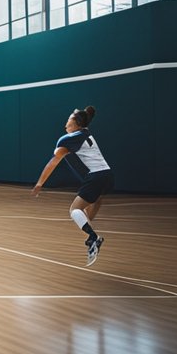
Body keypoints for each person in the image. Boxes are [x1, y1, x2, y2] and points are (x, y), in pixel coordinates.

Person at [32, 105, 112, 266]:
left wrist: (40, 182)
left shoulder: (67, 139)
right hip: (108, 175)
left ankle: (93, 238)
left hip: (96, 176)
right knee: (92, 205)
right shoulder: (85, 132)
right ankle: (90, 234)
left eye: (68, 120)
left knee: (74, 210)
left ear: (76, 123)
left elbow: (53, 162)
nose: (65, 124)